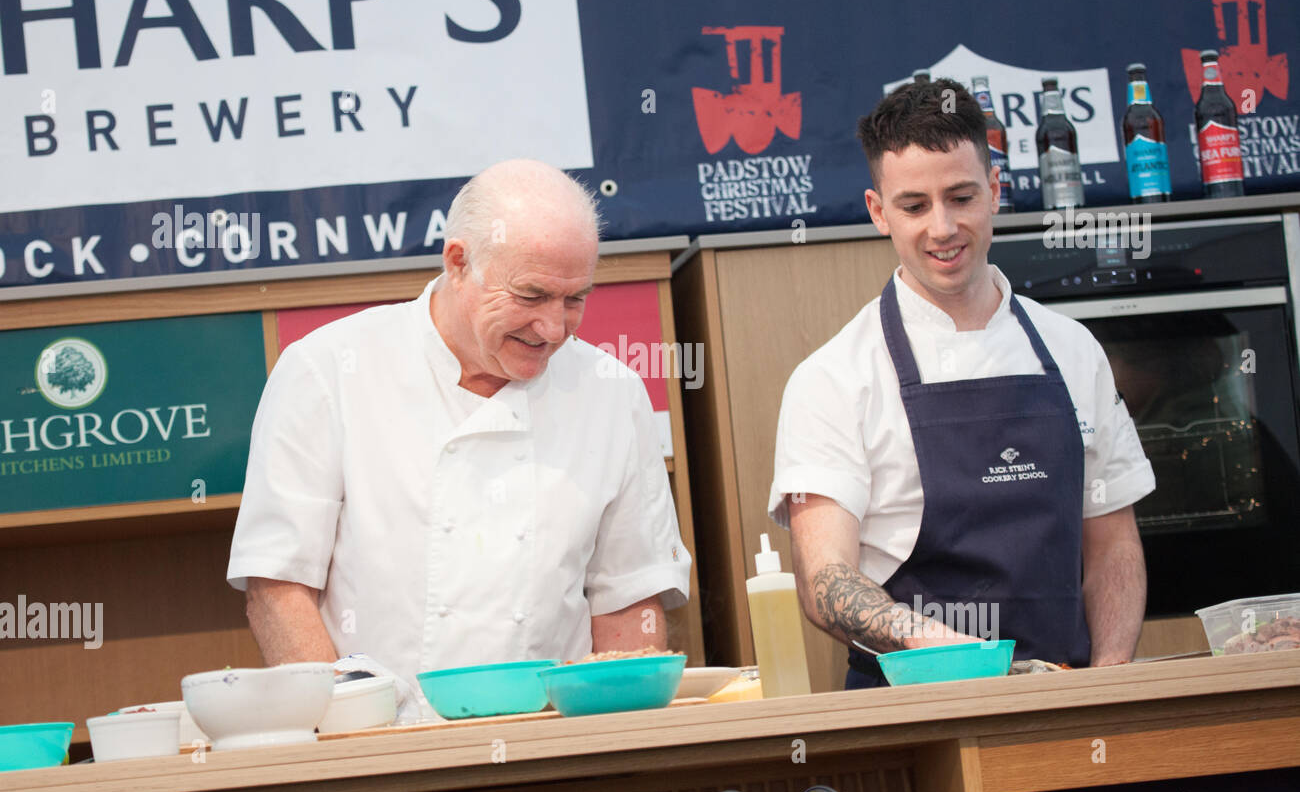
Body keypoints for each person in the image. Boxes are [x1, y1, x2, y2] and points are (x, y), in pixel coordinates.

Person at [227, 159, 691, 716]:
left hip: (554, 750)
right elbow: (278, 588)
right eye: (531, 294)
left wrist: (617, 744)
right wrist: (349, 731)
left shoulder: (612, 394)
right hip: (384, 751)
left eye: (574, 300)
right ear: (458, 262)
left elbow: (627, 598)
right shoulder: (327, 371)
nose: (552, 329)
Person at [767, 79, 1155, 688]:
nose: (942, 228)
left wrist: (1108, 680)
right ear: (878, 212)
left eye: (961, 196)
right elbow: (825, 581)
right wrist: (950, 653)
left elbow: (1112, 544)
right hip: (913, 709)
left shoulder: (1073, 350)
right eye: (914, 206)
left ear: (995, 192)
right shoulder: (832, 378)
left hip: (1068, 699)